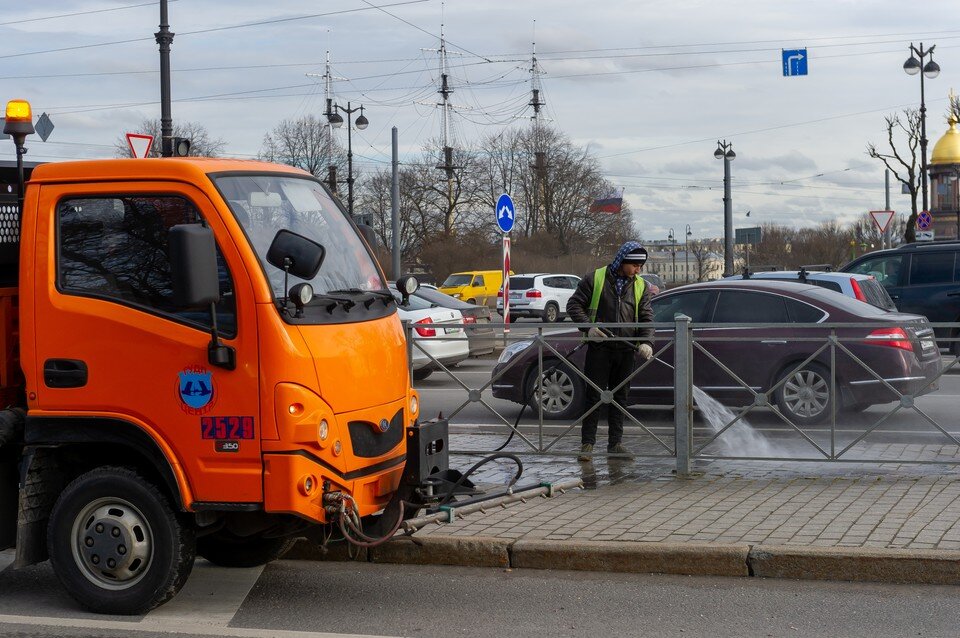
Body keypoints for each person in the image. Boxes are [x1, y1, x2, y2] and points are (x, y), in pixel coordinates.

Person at [566, 241, 655, 461]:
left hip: (626, 350)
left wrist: (647, 342)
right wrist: (589, 327)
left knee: (620, 397)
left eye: (640, 266)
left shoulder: (640, 285)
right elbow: (574, 305)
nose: (638, 270)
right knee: (593, 396)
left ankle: (615, 444)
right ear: (623, 261)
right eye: (635, 265)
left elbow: (646, 318)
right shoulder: (594, 279)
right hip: (599, 348)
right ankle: (587, 445)